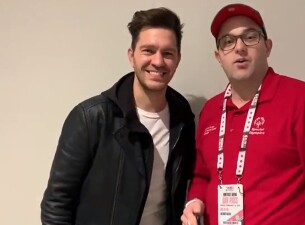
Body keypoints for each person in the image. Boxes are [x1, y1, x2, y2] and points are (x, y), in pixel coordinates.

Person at [182, 3, 305, 225]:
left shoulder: (303, 100)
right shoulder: (211, 111)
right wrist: (194, 200)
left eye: (250, 37)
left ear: (268, 47)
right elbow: (202, 175)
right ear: (218, 56)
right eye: (228, 41)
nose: (239, 47)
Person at [41, 7, 196, 225]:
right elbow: (57, 204)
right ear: (132, 56)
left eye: (168, 53)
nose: (158, 62)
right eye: (148, 51)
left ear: (178, 59)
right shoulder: (91, 118)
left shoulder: (183, 119)